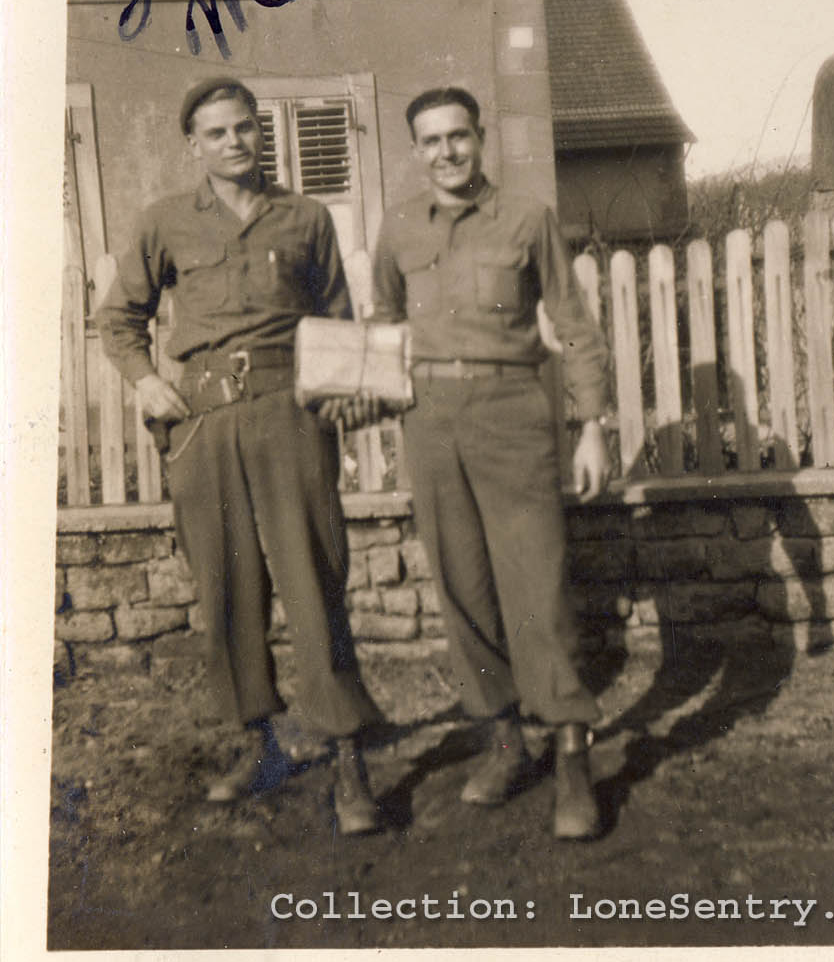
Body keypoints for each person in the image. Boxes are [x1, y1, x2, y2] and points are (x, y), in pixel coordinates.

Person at [97, 77, 383, 834]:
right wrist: (147, 380)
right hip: (203, 422)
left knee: (314, 573)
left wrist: (338, 403)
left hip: (291, 413)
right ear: (194, 145)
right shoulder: (164, 222)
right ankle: (260, 744)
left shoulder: (306, 218)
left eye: (245, 128)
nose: (235, 142)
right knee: (224, 583)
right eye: (217, 133)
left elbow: (339, 321)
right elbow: (118, 319)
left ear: (263, 134)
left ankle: (348, 754)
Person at [370, 86, 612, 839]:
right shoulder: (400, 226)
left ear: (480, 139)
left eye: (458, 137)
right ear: (416, 151)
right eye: (430, 140)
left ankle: (571, 749)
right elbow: (381, 321)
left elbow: (572, 322)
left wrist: (592, 425)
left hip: (511, 411)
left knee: (536, 585)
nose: (446, 152)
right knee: (463, 587)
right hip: (430, 421)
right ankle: (504, 738)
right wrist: (375, 404)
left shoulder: (527, 218)